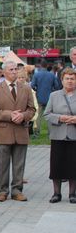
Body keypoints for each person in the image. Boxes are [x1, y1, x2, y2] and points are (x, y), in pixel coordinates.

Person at [0, 61, 36, 202]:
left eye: (16, 69)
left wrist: (23, 116)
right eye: (11, 69)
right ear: (4, 72)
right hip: (3, 131)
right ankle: (2, 191)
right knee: (2, 163)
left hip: (21, 130)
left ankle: (17, 190)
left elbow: (31, 109)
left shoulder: (26, 88)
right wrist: (10, 115)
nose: (14, 72)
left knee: (19, 163)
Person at [44, 68, 76, 203]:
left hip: (74, 135)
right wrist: (60, 118)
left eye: (72, 78)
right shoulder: (54, 95)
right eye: (67, 78)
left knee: (73, 165)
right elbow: (47, 114)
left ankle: (72, 194)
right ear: (62, 80)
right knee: (56, 165)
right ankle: (56, 193)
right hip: (58, 135)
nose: (70, 81)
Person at [31, 60, 60, 136]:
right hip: (49, 97)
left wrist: (37, 90)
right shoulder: (52, 75)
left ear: (40, 66)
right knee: (50, 115)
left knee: (38, 116)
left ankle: (37, 133)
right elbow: (56, 86)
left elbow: (32, 86)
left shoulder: (36, 75)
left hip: (39, 97)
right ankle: (50, 133)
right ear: (47, 66)